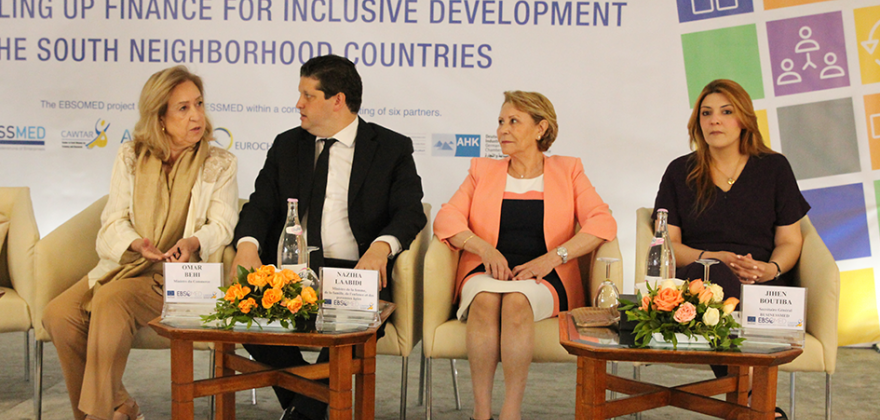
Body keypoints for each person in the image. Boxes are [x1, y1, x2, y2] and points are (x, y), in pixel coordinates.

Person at [231, 54, 426, 420]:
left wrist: (381, 247)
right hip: (292, 272)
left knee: (349, 335)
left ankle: (302, 412)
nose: (298, 104)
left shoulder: (390, 148)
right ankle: (309, 407)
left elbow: (410, 212)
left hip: (355, 273)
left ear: (338, 100)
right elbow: (260, 206)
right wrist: (246, 247)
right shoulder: (287, 145)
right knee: (248, 321)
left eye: (308, 95)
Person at [43, 65, 239, 420]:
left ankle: (99, 416)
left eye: (198, 104)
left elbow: (223, 225)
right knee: (57, 314)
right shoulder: (131, 156)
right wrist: (136, 245)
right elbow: (113, 221)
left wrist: (193, 241)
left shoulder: (220, 163)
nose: (196, 115)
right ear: (159, 117)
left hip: (181, 278)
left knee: (111, 298)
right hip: (129, 266)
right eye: (183, 108)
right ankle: (120, 406)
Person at [433, 91, 617, 420]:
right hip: (485, 273)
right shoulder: (482, 170)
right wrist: (484, 249)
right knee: (485, 300)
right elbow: (447, 219)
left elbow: (603, 222)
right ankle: (481, 412)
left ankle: (510, 412)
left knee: (517, 302)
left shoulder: (568, 170)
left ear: (540, 128)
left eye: (514, 121)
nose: (502, 129)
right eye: (500, 121)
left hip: (547, 277)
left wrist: (554, 257)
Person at [652, 79, 809, 420]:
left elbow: (790, 240)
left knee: (733, 286)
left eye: (726, 112)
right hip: (698, 278)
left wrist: (771, 269)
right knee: (715, 277)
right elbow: (668, 246)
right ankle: (755, 404)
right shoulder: (680, 171)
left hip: (761, 282)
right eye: (706, 113)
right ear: (697, 122)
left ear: (744, 120)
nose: (715, 121)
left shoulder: (774, 168)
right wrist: (712, 257)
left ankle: (746, 406)